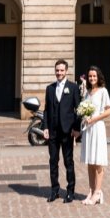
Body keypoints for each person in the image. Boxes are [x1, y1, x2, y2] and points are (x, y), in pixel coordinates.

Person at [41, 59, 81, 203]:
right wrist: (45, 127)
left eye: (62, 70)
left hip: (67, 131)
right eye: (57, 70)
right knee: (53, 161)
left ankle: (70, 192)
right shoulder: (49, 88)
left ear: (66, 71)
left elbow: (79, 110)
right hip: (53, 131)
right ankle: (54, 191)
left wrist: (76, 129)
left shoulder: (73, 87)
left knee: (68, 162)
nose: (59, 73)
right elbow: (46, 110)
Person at [80, 65, 110, 205]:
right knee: (90, 162)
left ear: (98, 77)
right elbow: (84, 110)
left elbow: (108, 111)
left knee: (98, 161)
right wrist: (85, 117)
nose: (92, 78)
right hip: (88, 129)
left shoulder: (103, 91)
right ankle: (92, 190)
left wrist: (94, 119)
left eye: (94, 76)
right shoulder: (87, 92)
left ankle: (98, 192)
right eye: (90, 76)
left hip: (97, 128)